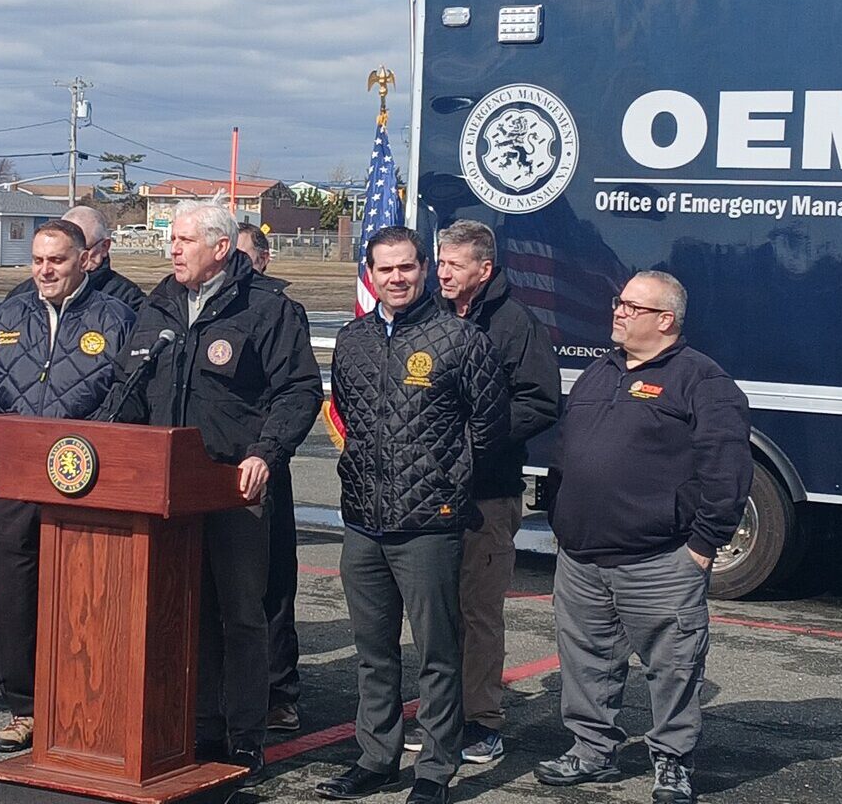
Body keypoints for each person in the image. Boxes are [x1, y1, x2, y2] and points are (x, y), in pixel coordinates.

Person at [103, 199, 322, 778]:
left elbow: (299, 392)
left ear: (220, 248)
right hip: (165, 490)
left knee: (240, 616)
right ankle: (195, 729)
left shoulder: (266, 309)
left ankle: (245, 737)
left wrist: (265, 452)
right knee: (183, 612)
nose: (171, 249)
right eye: (170, 241)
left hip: (232, 489)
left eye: (182, 240)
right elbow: (129, 390)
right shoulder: (158, 306)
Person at [535, 271, 751, 804]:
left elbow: (726, 470)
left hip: (659, 560)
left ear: (666, 320)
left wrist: (702, 546)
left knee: (674, 665)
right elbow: (566, 454)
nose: (618, 312)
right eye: (619, 302)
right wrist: (560, 520)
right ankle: (591, 749)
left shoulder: (701, 380)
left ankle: (672, 762)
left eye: (632, 306)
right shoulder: (597, 372)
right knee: (585, 659)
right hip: (582, 557)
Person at [316, 226, 509, 804]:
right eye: (385, 269)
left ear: (424, 269)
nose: (396, 278)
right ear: (369, 275)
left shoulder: (459, 340)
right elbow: (347, 413)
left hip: (429, 525)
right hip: (363, 524)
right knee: (374, 654)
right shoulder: (351, 340)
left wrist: (448, 478)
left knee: (437, 655)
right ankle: (377, 757)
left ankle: (435, 770)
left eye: (407, 267)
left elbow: (490, 426)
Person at [0, 220, 136, 754]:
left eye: (56, 259)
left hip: (88, 488)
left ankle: (90, 704)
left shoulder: (117, 320)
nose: (45, 270)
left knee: (90, 600)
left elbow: (126, 402)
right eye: (37, 260)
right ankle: (24, 707)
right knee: (13, 600)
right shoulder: (5, 319)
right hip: (13, 486)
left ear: (85, 260)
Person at [413, 219, 560, 764]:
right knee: (435, 611)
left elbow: (543, 401)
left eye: (454, 265)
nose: (443, 273)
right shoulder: (428, 314)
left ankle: (482, 721)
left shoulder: (514, 323)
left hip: (486, 494)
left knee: (477, 610)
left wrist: (473, 439)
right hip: (427, 494)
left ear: (484, 269)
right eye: (441, 262)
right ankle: (441, 718)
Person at [236, 218, 303, 733]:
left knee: (273, 582)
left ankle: (280, 690)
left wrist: (267, 449)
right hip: (210, 470)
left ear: (263, 259)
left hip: (265, 463)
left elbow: (293, 389)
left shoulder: (282, 311)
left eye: (245, 256)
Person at [8, 205, 145, 309]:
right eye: (38, 260)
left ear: (104, 247)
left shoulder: (128, 300)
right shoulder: (20, 298)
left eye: (83, 248)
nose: (46, 271)